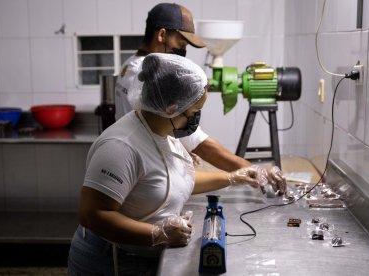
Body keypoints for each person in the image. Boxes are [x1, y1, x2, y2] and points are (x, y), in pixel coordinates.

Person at [68, 53, 270, 275]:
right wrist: (157, 233)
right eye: (194, 112)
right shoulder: (121, 146)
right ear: (171, 108)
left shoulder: (164, 133)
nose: (196, 119)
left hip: (142, 255)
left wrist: (234, 177)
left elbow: (175, 180)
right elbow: (93, 214)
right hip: (110, 260)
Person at [115, 2, 287, 194]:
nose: (182, 52)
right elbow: (199, 143)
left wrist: (179, 146)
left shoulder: (130, 65)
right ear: (162, 35)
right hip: (143, 179)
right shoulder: (144, 76)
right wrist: (253, 169)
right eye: (180, 45)